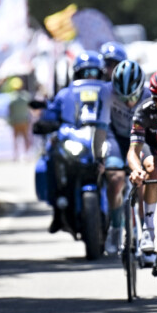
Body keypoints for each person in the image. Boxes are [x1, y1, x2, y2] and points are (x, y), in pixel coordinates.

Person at [41, 51, 111, 233]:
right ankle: (57, 208)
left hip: (103, 141)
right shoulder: (65, 94)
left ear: (101, 73)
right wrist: (45, 122)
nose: (90, 76)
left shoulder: (110, 92)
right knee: (49, 155)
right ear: (77, 73)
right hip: (74, 140)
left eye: (94, 72)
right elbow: (50, 113)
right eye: (85, 72)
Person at [103, 59, 151, 255]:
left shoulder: (149, 95)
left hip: (141, 139)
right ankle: (115, 227)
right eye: (122, 98)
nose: (128, 102)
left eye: (132, 97)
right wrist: (99, 159)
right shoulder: (106, 92)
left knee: (145, 181)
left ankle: (146, 229)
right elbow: (100, 128)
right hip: (115, 137)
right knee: (115, 179)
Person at [128, 71, 157, 260]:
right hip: (151, 148)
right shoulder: (144, 111)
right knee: (153, 170)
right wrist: (136, 170)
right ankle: (148, 228)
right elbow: (133, 150)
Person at [7, 77, 32, 161]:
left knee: (16, 139)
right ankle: (26, 154)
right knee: (25, 138)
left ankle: (16, 155)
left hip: (16, 121)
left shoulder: (11, 98)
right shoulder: (26, 96)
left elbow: (10, 111)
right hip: (24, 121)